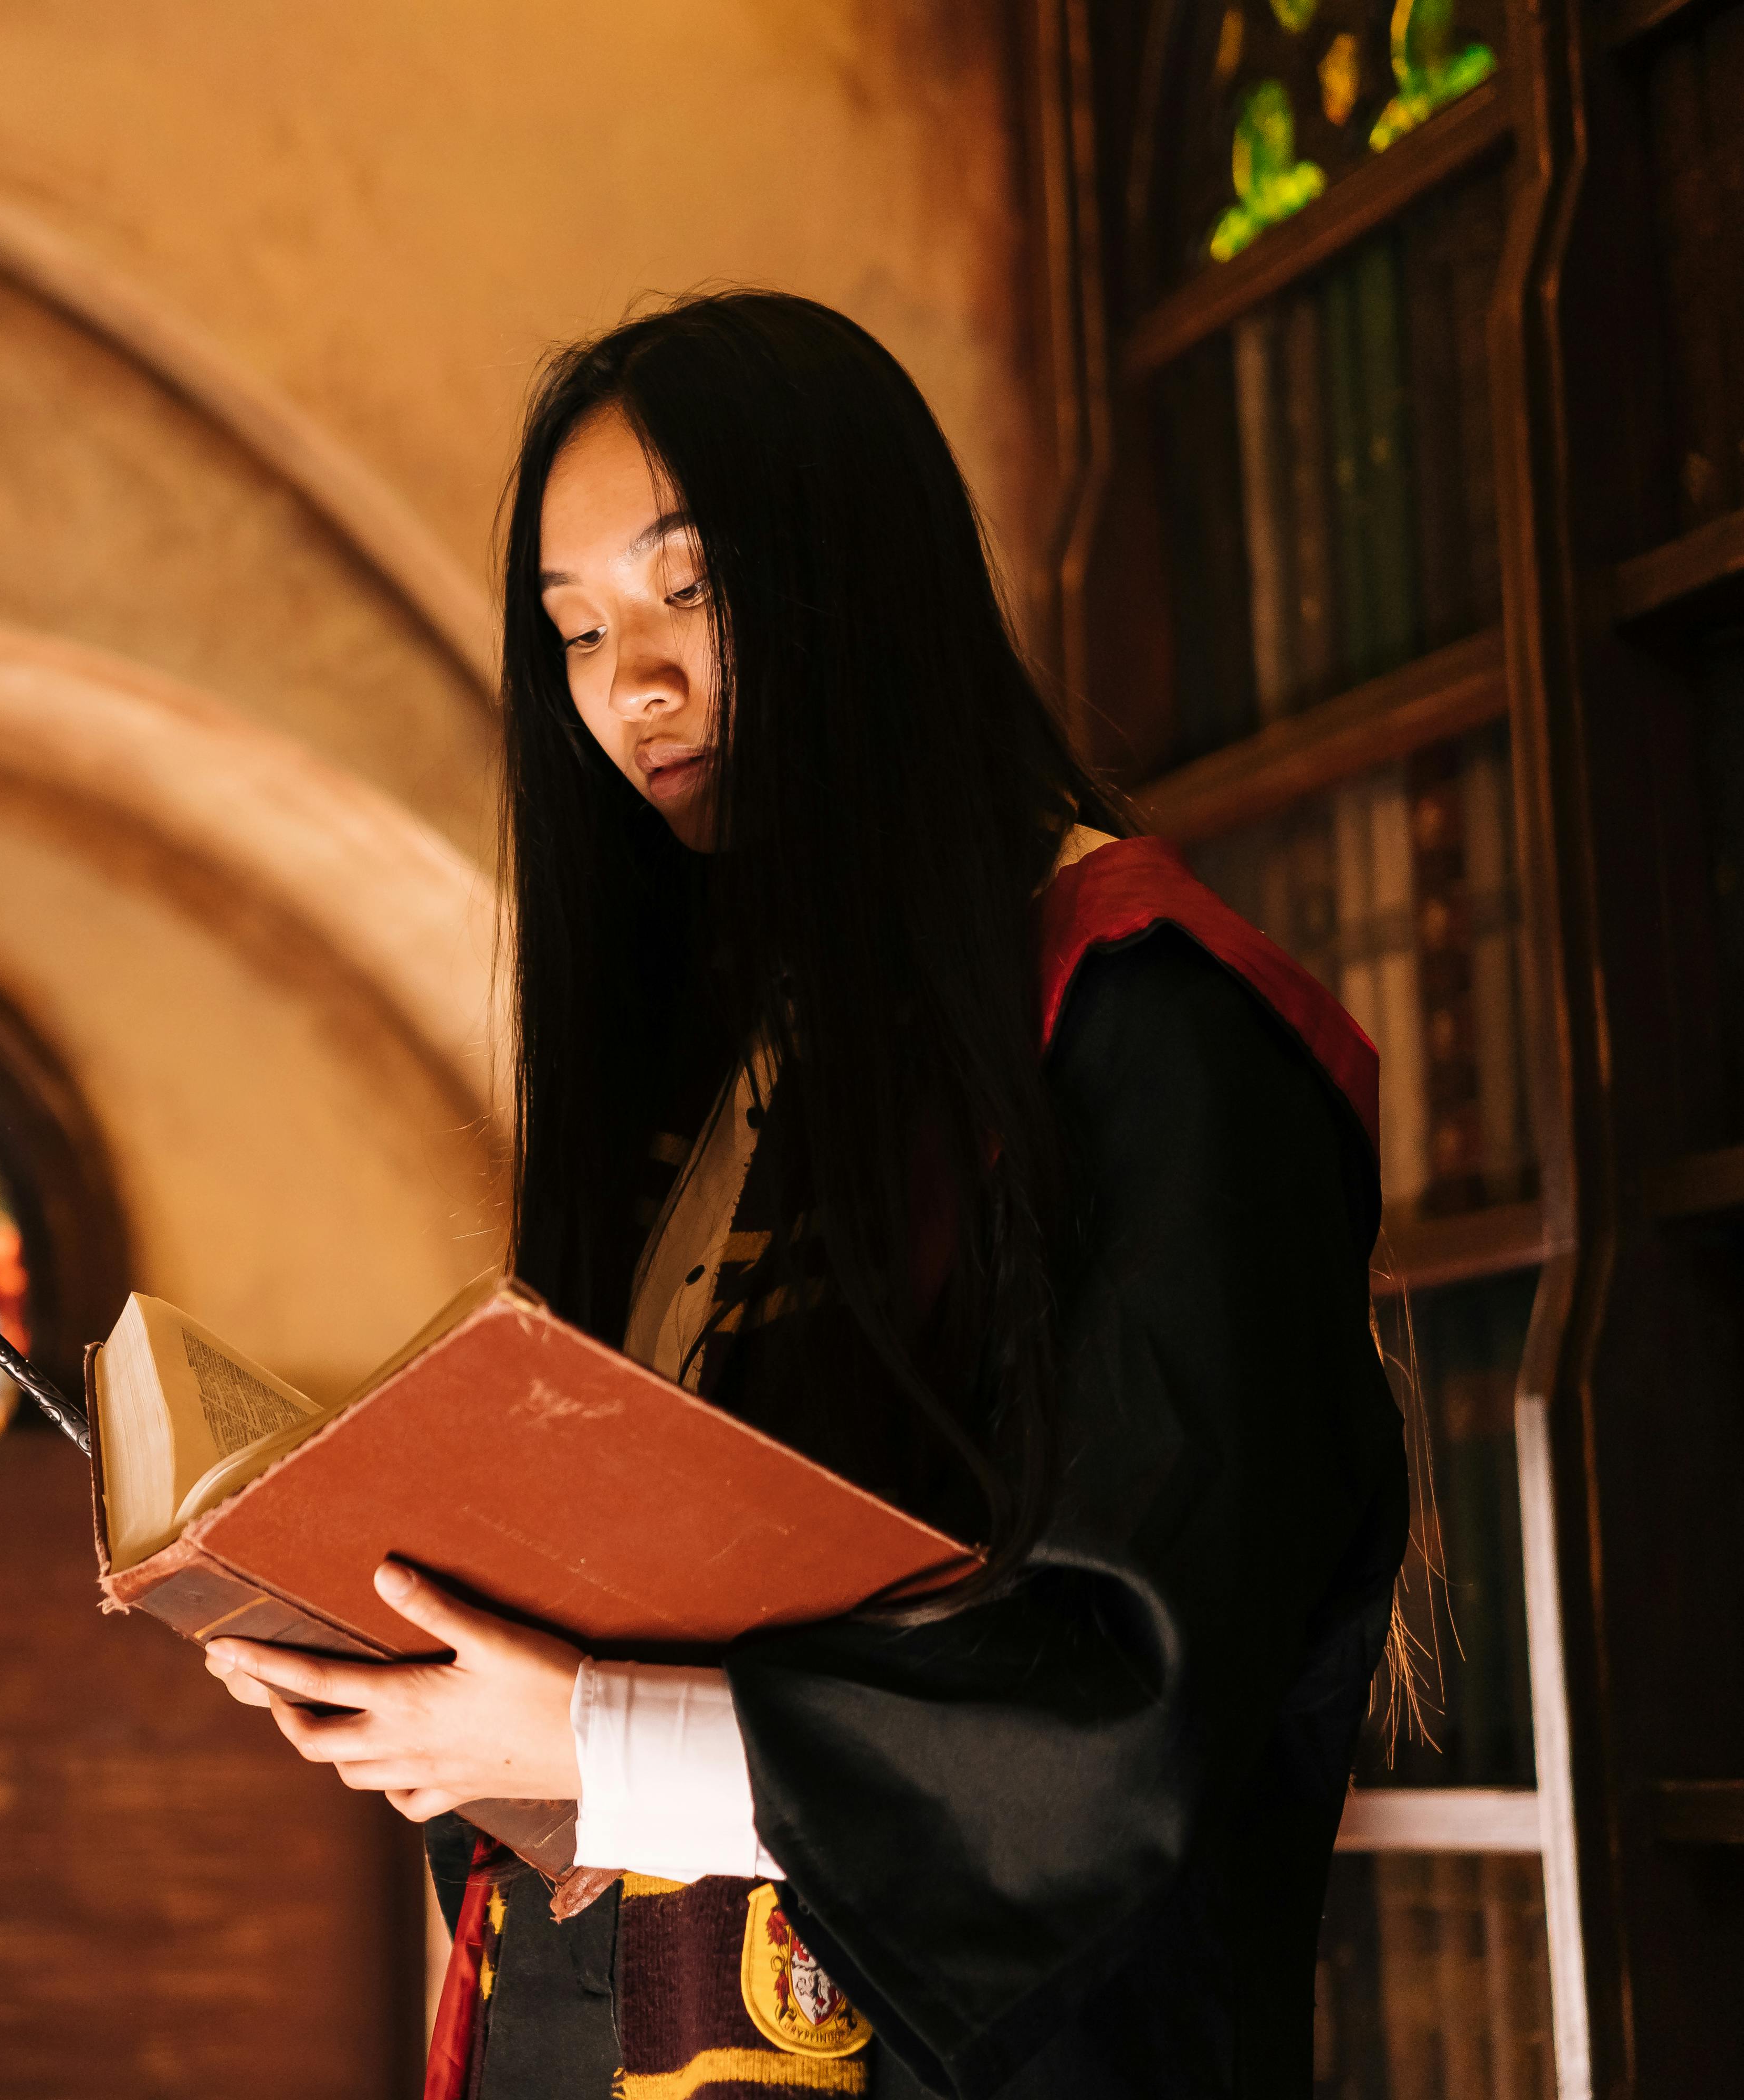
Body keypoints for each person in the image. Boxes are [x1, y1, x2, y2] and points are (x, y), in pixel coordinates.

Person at [201, 292, 1407, 2099]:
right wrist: (402, 1666)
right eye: (579, 630)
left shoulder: (1146, 1023)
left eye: (689, 590)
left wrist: (590, 1730)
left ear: (872, 576)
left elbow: (1130, 1720)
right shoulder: (707, 1084)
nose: (634, 685)